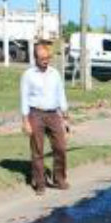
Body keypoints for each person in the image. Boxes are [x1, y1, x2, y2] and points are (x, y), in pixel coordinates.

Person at [20, 40, 70, 195]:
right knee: (37, 151)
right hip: (35, 114)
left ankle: (59, 179)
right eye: (42, 58)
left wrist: (65, 116)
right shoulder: (28, 75)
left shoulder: (55, 73)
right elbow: (24, 98)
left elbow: (61, 94)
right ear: (35, 58)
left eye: (47, 57)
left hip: (53, 114)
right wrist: (25, 121)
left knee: (60, 147)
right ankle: (40, 183)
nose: (46, 61)